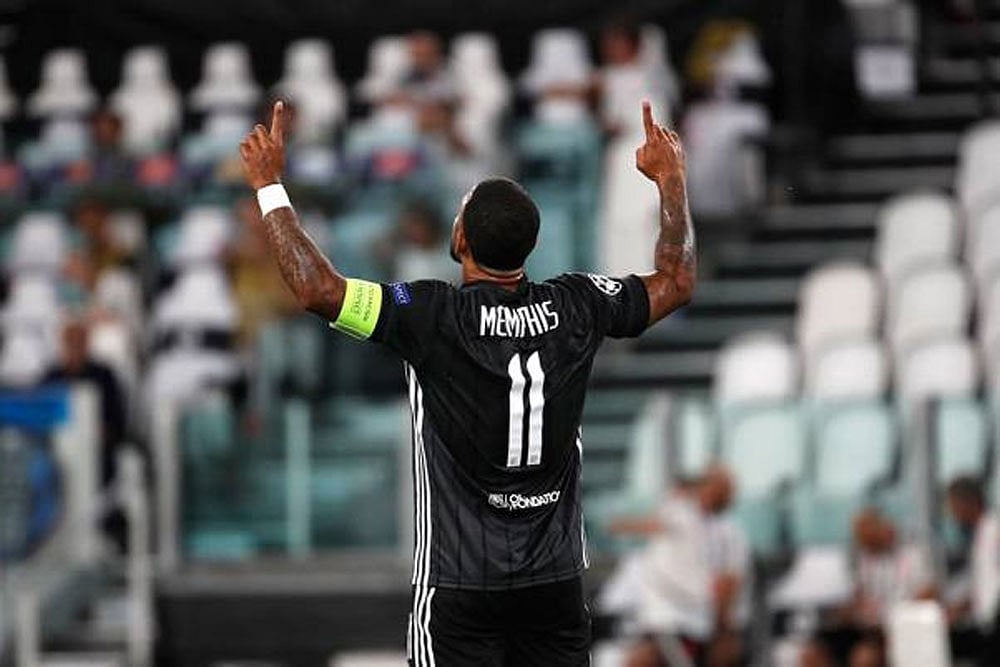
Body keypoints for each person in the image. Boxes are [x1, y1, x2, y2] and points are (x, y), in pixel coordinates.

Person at [239, 99, 696, 666]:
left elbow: (317, 290)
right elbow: (676, 281)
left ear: (460, 241)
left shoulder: (431, 315)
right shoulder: (579, 304)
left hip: (459, 583)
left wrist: (269, 187)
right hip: (552, 583)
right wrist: (671, 180)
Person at [606, 465, 750, 665]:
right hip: (671, 618)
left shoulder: (727, 533)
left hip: (684, 620)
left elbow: (727, 585)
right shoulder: (687, 517)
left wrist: (723, 627)